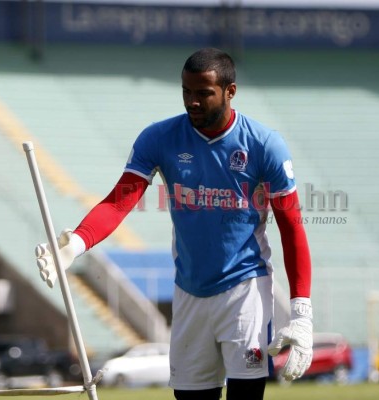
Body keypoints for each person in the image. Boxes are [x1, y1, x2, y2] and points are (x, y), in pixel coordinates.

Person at [35, 48, 313, 400]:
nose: (192, 102)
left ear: (230, 91)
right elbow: (120, 200)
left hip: (246, 291)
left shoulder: (264, 144)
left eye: (203, 93)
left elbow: (291, 227)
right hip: (189, 291)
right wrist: (75, 244)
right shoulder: (159, 138)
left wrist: (302, 312)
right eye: (186, 92)